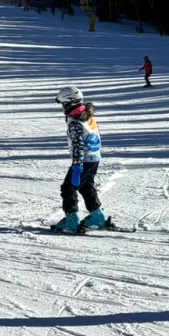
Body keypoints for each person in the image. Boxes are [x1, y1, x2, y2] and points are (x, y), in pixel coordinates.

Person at [50, 85, 115, 232]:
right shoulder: (87, 114)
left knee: (68, 188)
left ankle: (72, 219)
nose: (63, 107)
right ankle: (99, 216)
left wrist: (77, 165)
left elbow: (78, 144)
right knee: (86, 186)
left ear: (69, 103)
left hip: (83, 160)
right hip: (94, 157)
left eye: (64, 104)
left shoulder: (75, 122)